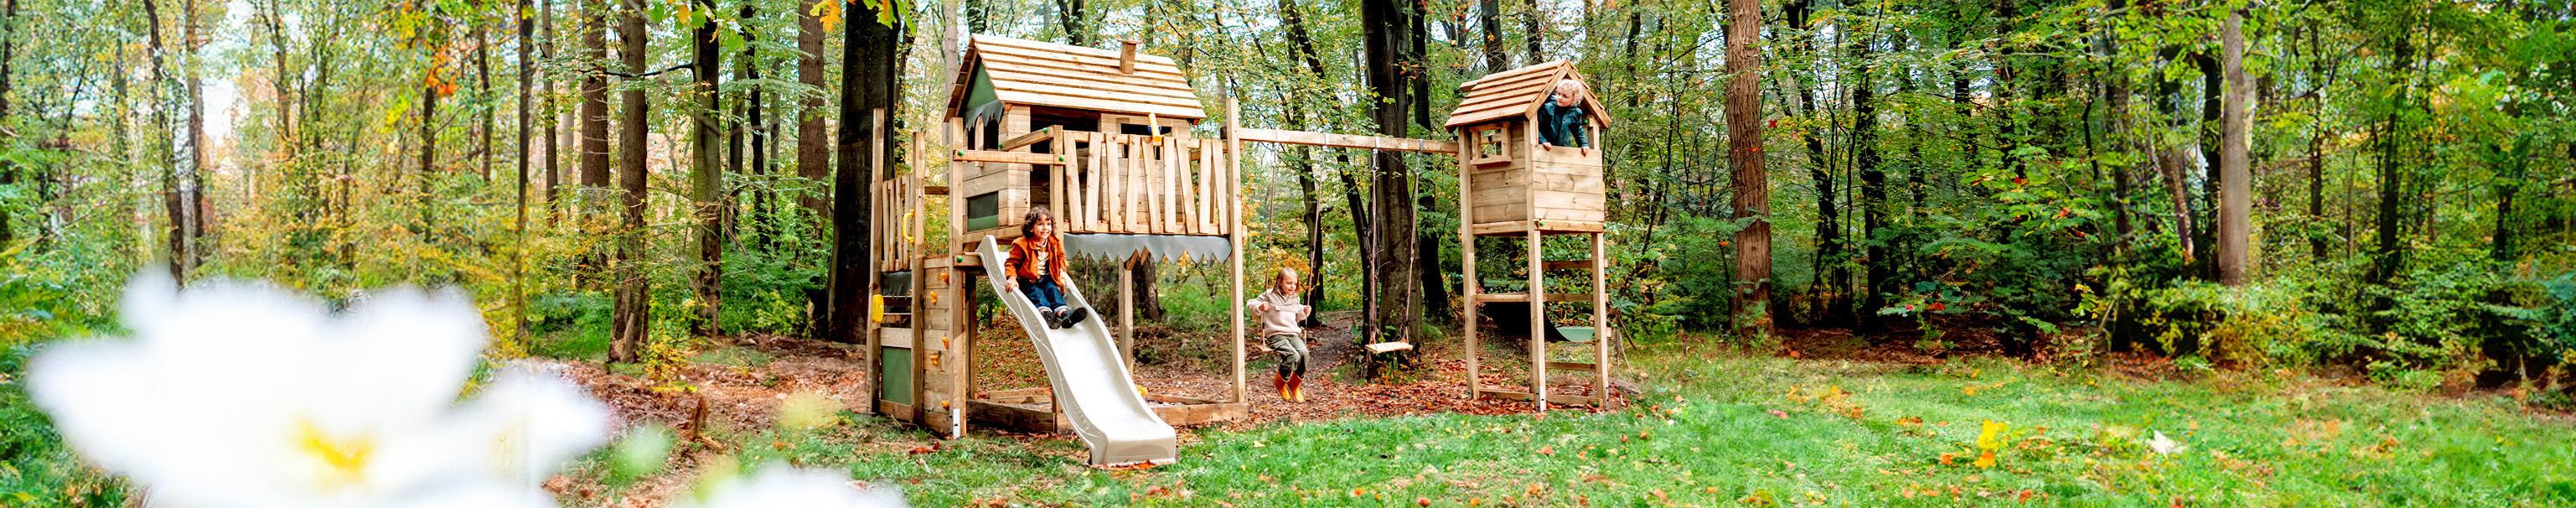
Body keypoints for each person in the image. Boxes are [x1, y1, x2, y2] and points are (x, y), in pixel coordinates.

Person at [1001, 208, 1089, 329]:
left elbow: (1060, 256)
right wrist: (1012, 278)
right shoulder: (1021, 244)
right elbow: (1011, 263)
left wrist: (1061, 272)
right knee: (1037, 293)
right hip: (1028, 280)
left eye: (1048, 224)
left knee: (1053, 291)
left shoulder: (1054, 242)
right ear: (1031, 228)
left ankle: (1064, 314)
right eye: (1040, 224)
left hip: (1047, 277)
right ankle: (1045, 314)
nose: (1045, 228)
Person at [1249, 267, 1314, 402]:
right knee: (1293, 356)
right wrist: (1260, 307)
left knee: (1304, 353)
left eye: (1295, 283)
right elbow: (1251, 303)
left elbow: (1297, 314)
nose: (1292, 286)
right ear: (1279, 282)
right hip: (1276, 334)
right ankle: (1280, 382)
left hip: (1292, 334)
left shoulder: (1294, 297)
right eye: (1288, 283)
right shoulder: (1269, 295)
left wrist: (1304, 311)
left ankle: (1295, 385)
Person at [1537, 78, 1592, 151]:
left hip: (1564, 148)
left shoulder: (1576, 113)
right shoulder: (1548, 108)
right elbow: (1537, 126)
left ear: (1574, 99)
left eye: (1565, 96)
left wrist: (1584, 144)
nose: (1560, 98)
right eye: (1559, 94)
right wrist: (1543, 141)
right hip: (1545, 147)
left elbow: (1577, 130)